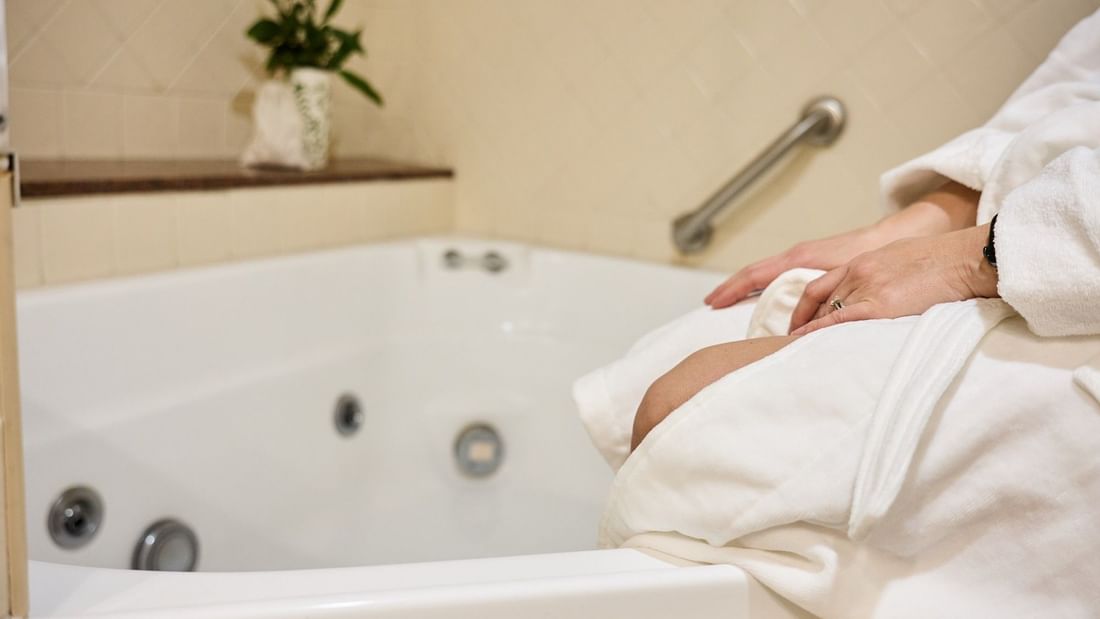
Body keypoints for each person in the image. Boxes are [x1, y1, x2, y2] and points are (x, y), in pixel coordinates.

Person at [631, 8, 1100, 450]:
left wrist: (967, 260)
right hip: (1026, 222)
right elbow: (1077, 93)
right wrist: (918, 224)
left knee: (680, 406)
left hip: (1063, 274)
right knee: (671, 358)